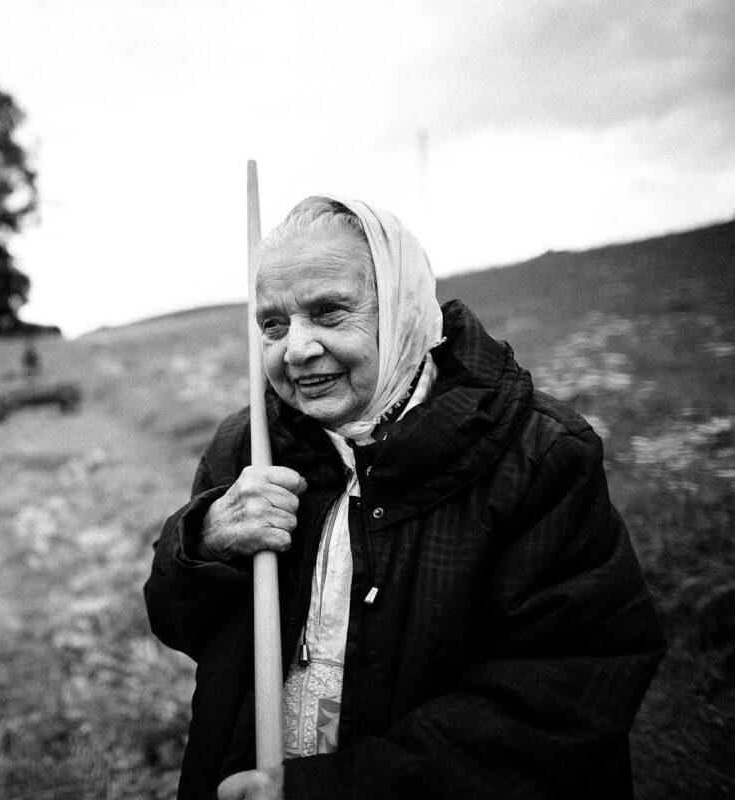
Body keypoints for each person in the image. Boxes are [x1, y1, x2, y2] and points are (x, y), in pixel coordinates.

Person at [143, 196, 665, 799]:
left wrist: (330, 789)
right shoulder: (248, 444)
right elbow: (174, 619)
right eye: (273, 323)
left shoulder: (538, 455)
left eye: (330, 312)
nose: (295, 349)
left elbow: (561, 702)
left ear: (403, 309)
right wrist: (205, 540)